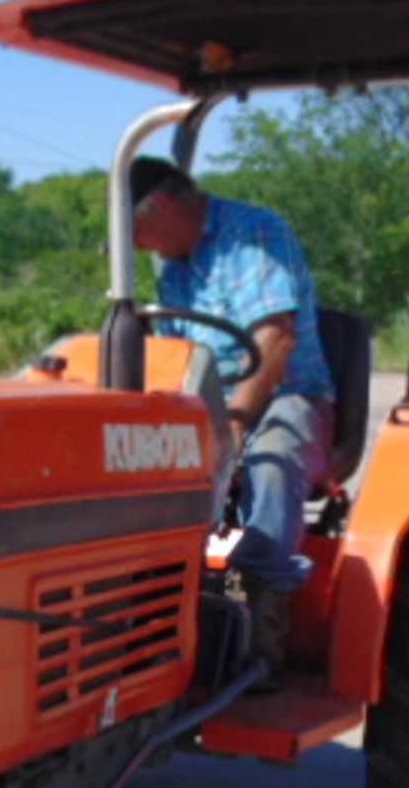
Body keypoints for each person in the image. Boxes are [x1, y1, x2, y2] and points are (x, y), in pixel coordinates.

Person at [129, 156, 335, 692]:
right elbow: (170, 352)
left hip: (287, 392)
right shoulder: (171, 263)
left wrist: (235, 425)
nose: (137, 246)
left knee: (268, 466)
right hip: (209, 397)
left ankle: (260, 626)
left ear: (166, 208)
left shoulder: (254, 234)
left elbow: (276, 340)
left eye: (137, 231)